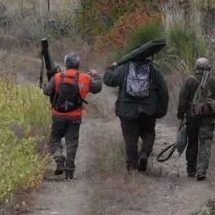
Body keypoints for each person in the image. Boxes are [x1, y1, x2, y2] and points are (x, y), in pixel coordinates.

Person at [103, 50, 169, 172]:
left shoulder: (124, 68)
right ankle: (144, 154)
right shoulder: (154, 70)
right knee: (149, 134)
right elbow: (163, 91)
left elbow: (109, 80)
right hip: (148, 111)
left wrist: (110, 68)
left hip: (127, 111)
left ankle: (132, 167)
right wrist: (162, 110)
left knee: (130, 139)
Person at [42, 52, 102, 180]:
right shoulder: (85, 77)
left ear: (65, 64)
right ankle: (69, 172)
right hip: (75, 116)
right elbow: (97, 88)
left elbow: (47, 91)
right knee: (72, 143)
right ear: (78, 64)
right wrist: (95, 75)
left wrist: (44, 85)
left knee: (54, 140)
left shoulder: (57, 77)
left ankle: (59, 158)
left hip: (58, 116)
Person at [176, 57, 215, 181]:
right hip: (208, 120)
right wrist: (212, 110)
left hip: (192, 119)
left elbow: (182, 100)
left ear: (196, 68)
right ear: (208, 68)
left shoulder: (189, 81)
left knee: (192, 143)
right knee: (205, 144)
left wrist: (181, 114)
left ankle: (191, 170)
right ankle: (201, 171)